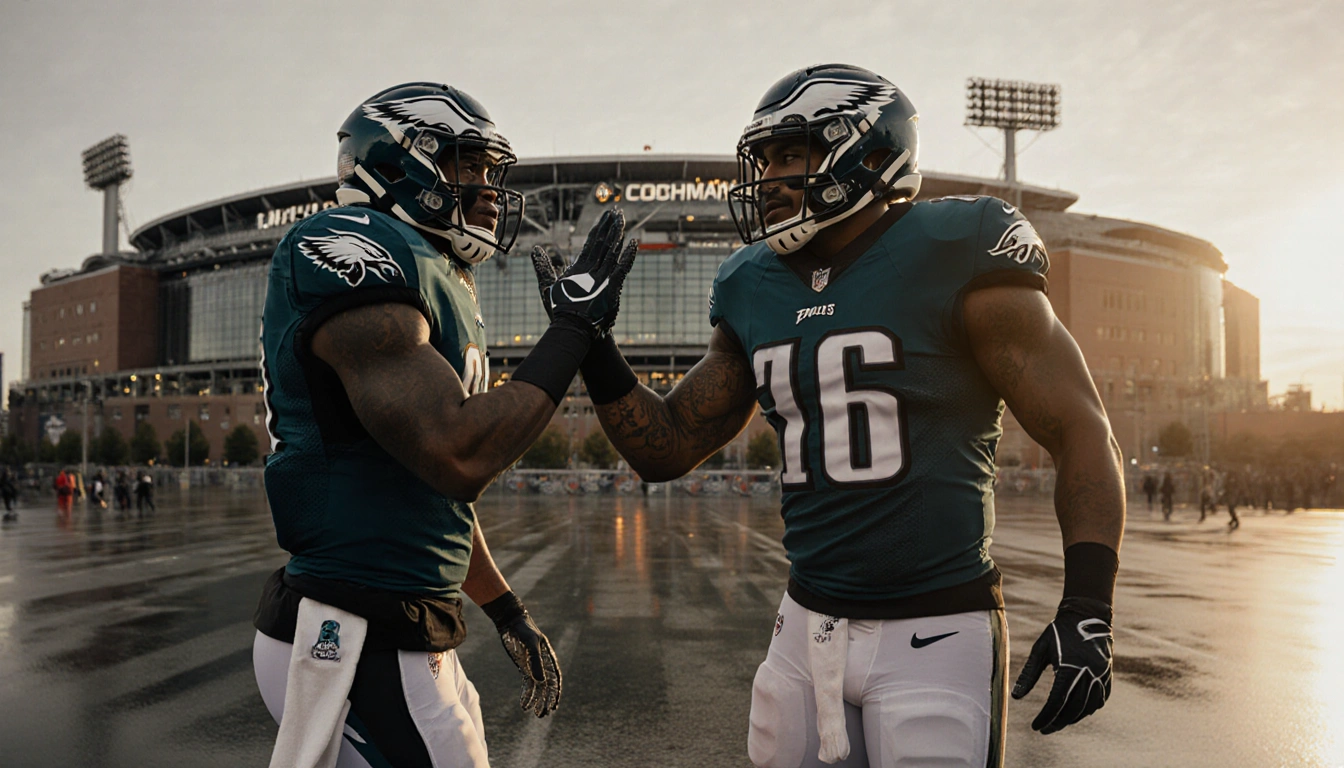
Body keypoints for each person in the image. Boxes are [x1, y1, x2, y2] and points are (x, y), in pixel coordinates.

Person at [565, 64, 1124, 766]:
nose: (766, 178)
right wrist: (591, 343)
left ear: (861, 150)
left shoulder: (955, 246)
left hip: (939, 624)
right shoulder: (749, 282)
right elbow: (668, 446)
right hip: (804, 626)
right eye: (762, 159)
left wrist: (1089, 608)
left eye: (787, 155)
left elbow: (1081, 426)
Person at [252, 81, 636, 767]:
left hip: (401, 622)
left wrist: (505, 607)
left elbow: (437, 497)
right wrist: (572, 333)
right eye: (467, 164)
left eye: (492, 170)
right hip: (351, 630)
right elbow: (453, 453)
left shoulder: (440, 272)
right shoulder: (348, 242)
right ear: (402, 160)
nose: (488, 188)